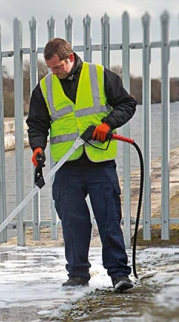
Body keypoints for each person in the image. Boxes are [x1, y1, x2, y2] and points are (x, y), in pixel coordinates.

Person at [26, 38, 137, 293]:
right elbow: (37, 124)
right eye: (51, 68)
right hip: (67, 165)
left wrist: (108, 124)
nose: (55, 72)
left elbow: (127, 104)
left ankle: (119, 274)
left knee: (109, 219)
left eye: (58, 67)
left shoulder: (100, 76)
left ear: (70, 58)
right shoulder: (45, 88)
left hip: (100, 162)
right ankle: (77, 273)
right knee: (73, 222)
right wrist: (38, 147)